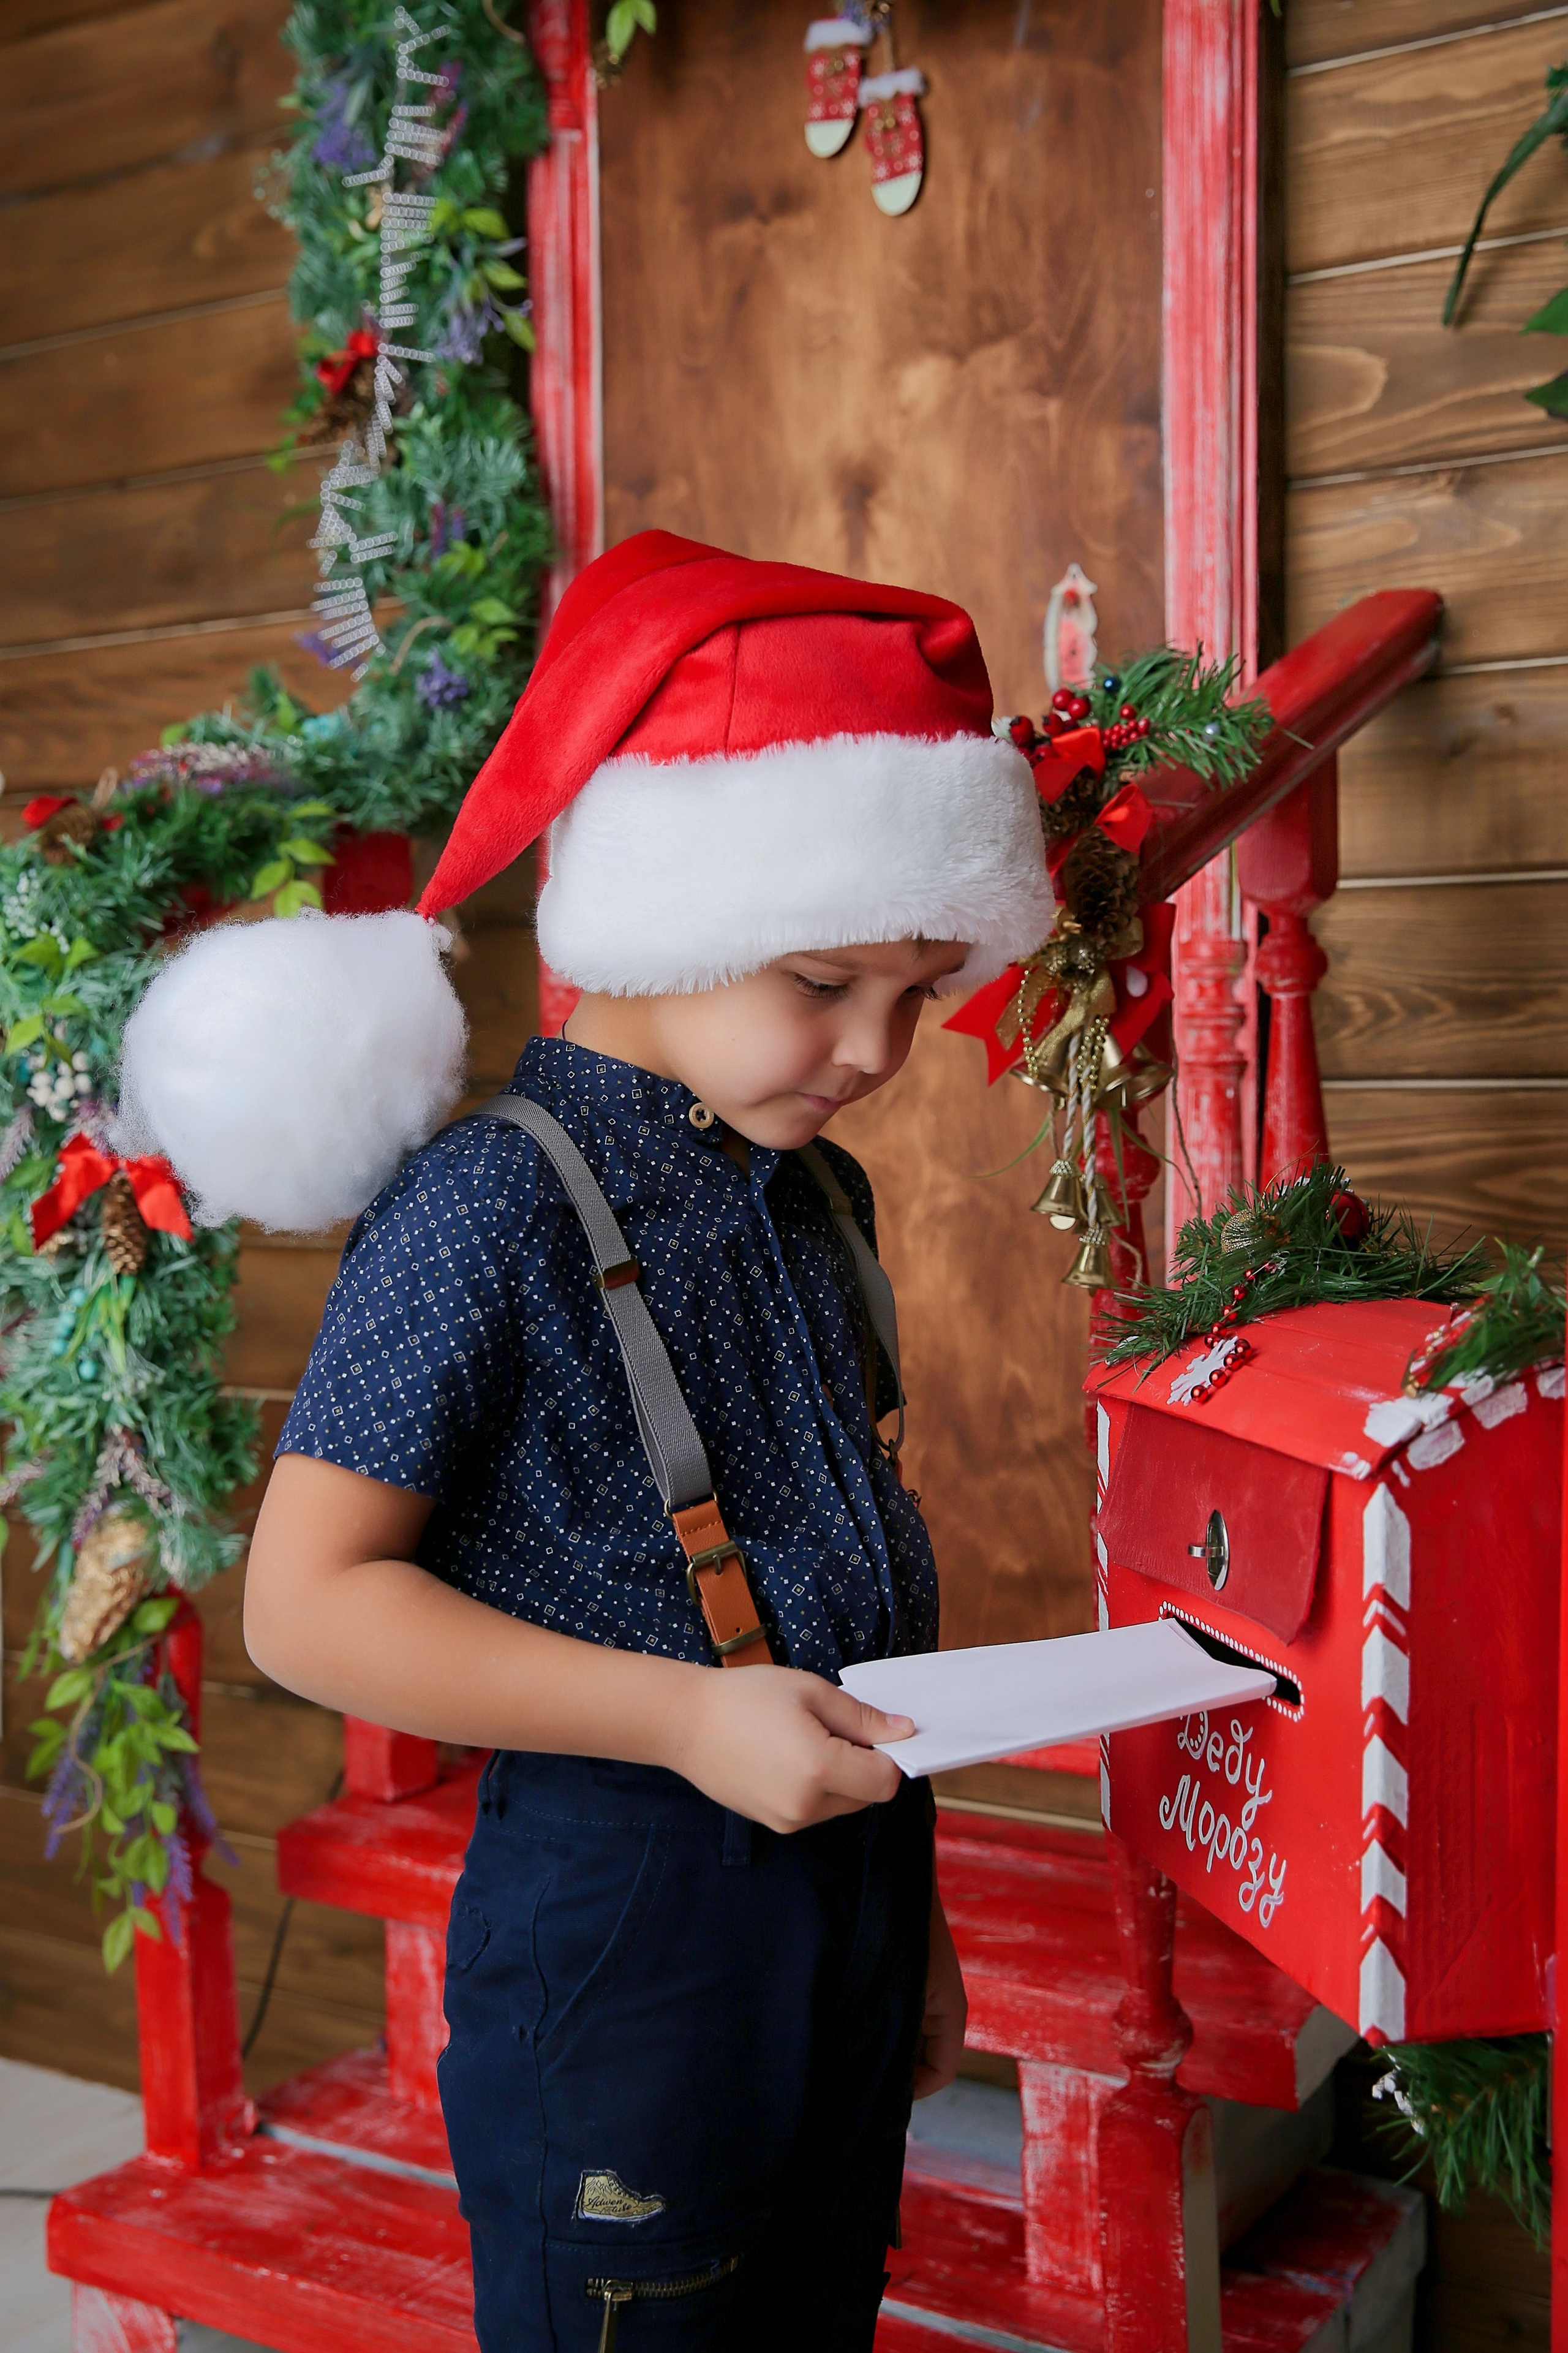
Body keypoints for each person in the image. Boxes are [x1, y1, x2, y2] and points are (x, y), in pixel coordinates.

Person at [132, 534, 1052, 2351]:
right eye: (825, 978)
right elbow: (306, 1609)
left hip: (852, 1876)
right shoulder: (489, 1207)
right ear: (669, 919)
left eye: (922, 990)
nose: (878, 1047)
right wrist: (687, 1717)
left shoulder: (820, 1192)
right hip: (630, 1925)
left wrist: (911, 1924)